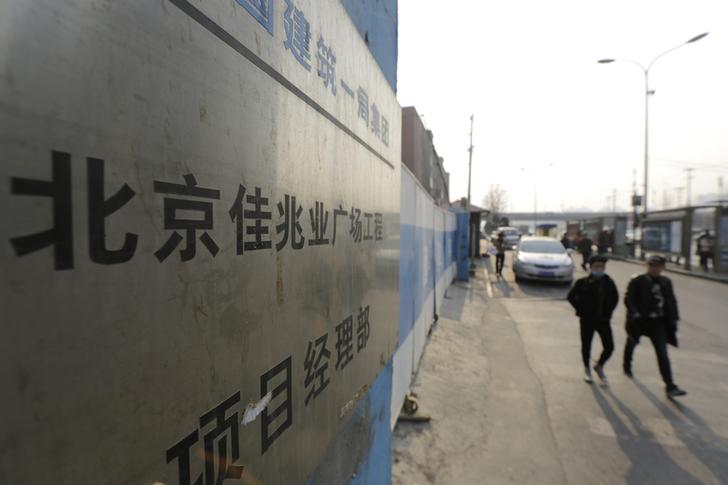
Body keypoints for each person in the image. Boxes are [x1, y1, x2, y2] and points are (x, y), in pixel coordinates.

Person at [623, 255, 687, 397]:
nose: (655, 269)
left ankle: (670, 385)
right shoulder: (637, 280)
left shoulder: (666, 282)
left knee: (662, 353)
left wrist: (674, 319)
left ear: (663, 268)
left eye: (658, 266)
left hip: (658, 323)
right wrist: (634, 313)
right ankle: (627, 364)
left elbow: (671, 301)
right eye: (652, 266)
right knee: (632, 343)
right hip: (640, 321)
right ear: (647, 266)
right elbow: (629, 299)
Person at [567, 255, 619, 384]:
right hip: (587, 320)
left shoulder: (608, 282)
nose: (600, 269)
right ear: (591, 267)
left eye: (602, 267)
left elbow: (615, 298)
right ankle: (587, 369)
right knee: (586, 345)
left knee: (609, 347)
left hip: (603, 320)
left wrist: (608, 312)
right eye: (597, 266)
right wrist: (581, 309)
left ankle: (599, 365)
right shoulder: (582, 282)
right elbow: (571, 297)